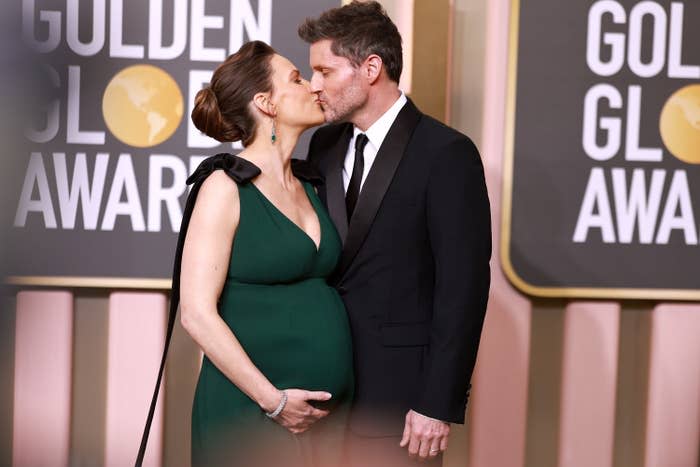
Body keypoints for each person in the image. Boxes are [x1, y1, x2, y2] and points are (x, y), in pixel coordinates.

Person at [298, 2, 492, 466]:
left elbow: (463, 288)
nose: (314, 85)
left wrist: (436, 402)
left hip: (402, 403)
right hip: (325, 392)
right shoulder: (323, 144)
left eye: (325, 70)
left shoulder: (446, 153)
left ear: (371, 68)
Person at [178, 40, 353, 466]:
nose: (313, 87)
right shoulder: (224, 188)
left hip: (326, 419)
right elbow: (196, 312)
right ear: (266, 103)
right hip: (251, 414)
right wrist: (273, 401)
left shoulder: (313, 185)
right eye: (295, 79)